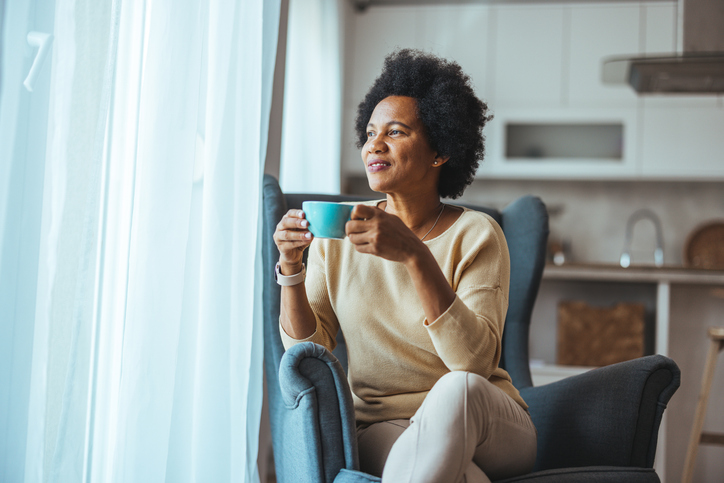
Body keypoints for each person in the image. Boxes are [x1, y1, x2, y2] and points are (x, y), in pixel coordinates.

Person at [273, 49, 536, 483]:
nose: (374, 145)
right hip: (384, 426)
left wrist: (414, 254)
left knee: (458, 389)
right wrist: (291, 268)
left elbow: (473, 364)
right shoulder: (338, 236)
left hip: (488, 421)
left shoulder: (478, 234)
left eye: (395, 132)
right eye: (371, 133)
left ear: (440, 152)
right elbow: (309, 349)